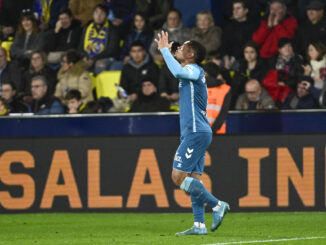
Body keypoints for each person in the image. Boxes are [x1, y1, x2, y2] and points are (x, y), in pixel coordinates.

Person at [155, 31, 230, 235]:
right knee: (194, 180)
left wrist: (164, 50)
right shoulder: (188, 69)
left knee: (178, 177)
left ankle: (216, 205)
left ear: (191, 55)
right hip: (198, 131)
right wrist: (168, 53)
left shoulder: (195, 69)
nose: (178, 47)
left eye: (183, 46)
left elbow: (179, 72)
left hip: (196, 131)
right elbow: (176, 69)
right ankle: (199, 225)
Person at [79, 4, 121, 75]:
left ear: (107, 16)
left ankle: (99, 86)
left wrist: (94, 59)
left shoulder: (112, 29)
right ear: (93, 15)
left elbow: (112, 50)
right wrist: (85, 57)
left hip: (106, 58)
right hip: (88, 57)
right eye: (96, 13)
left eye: (102, 13)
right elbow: (80, 46)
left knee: (100, 64)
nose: (98, 16)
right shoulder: (87, 28)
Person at [221, 0, 258, 66]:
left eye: (238, 8)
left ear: (246, 10)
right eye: (234, 8)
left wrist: (234, 57)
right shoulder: (228, 26)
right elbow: (224, 43)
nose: (235, 11)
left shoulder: (252, 26)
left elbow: (247, 44)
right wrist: (226, 58)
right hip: (227, 58)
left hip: (243, 57)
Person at [203, 62, 231, 134]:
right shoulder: (226, 89)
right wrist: (213, 130)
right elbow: (224, 112)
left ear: (205, 73)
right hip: (219, 132)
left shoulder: (195, 88)